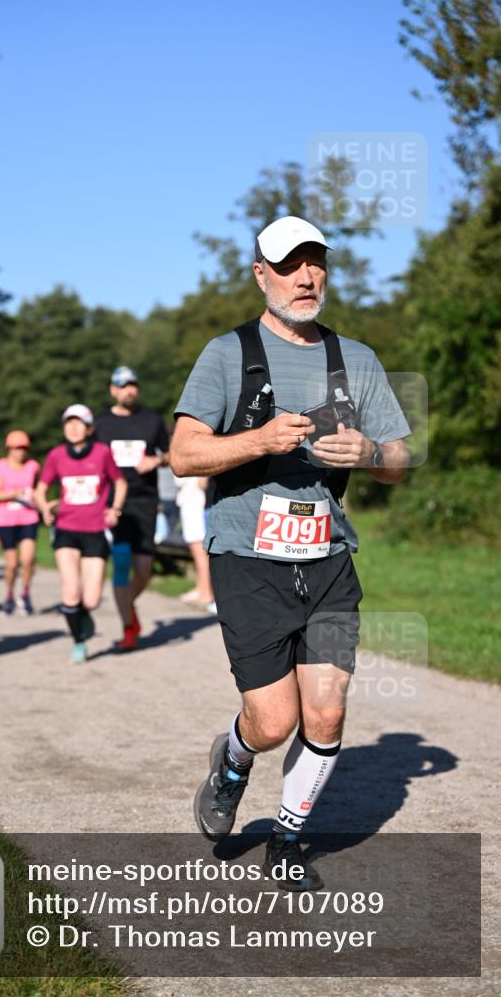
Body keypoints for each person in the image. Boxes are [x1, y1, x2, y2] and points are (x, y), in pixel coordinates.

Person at [171, 216, 410, 890]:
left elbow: (398, 455)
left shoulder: (353, 359)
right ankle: (233, 761)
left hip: (328, 556)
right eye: (289, 265)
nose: (306, 277)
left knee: (327, 710)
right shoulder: (228, 355)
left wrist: (368, 453)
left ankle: (287, 839)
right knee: (273, 721)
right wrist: (260, 440)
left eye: (316, 264)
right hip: (246, 558)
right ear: (260, 275)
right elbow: (184, 454)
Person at [34, 404, 127, 662]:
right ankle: (78, 641)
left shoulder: (102, 453)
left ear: (89, 428)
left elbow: (120, 482)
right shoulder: (56, 456)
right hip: (66, 529)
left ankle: (83, 616)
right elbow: (40, 490)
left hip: (95, 531)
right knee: (71, 591)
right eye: (68, 423)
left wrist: (115, 510)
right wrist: (44, 508)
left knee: (92, 598)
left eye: (79, 423)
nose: (73, 428)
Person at [95, 366, 170, 651]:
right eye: (123, 385)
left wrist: (157, 461)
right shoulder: (100, 423)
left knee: (144, 569)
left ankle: (128, 605)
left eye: (133, 385)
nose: (129, 390)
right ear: (113, 389)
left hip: (145, 500)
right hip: (112, 503)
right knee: (122, 564)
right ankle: (128, 626)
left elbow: (171, 453)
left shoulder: (152, 420)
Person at [0, 430, 40, 616]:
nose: (21, 452)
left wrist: (37, 499)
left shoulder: (33, 466)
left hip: (28, 517)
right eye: (17, 448)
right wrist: (14, 493)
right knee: (12, 564)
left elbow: (37, 491)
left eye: (24, 448)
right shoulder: (0, 467)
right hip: (6, 520)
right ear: (9, 449)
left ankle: (25, 593)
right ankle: (9, 594)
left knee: (27, 560)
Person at [176, 476, 216, 611]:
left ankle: (206, 593)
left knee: (199, 550)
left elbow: (202, 483)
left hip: (195, 502)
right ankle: (201, 589)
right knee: (198, 550)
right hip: (192, 501)